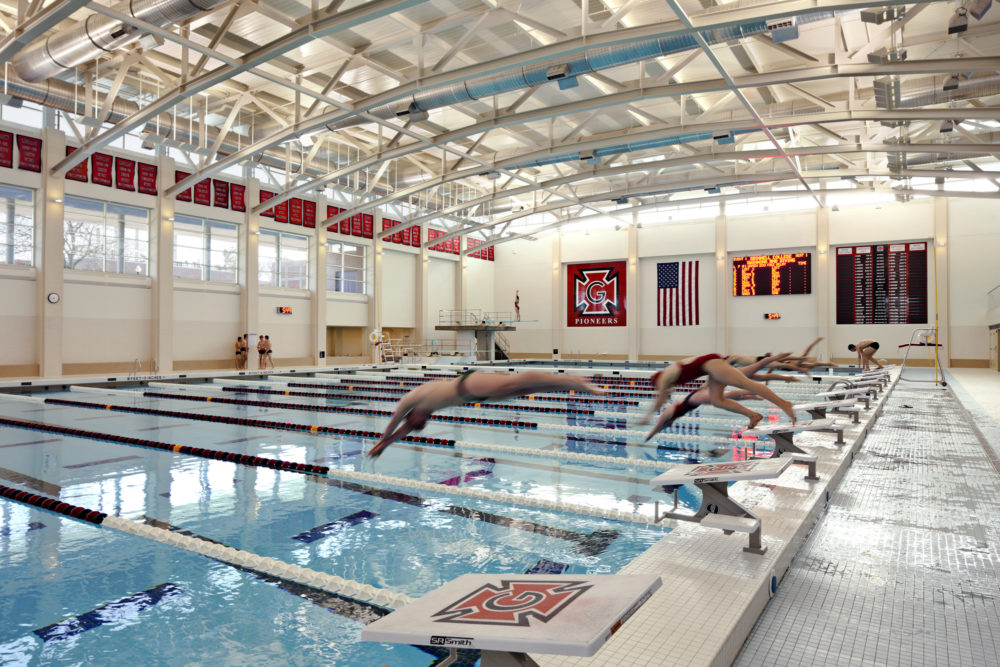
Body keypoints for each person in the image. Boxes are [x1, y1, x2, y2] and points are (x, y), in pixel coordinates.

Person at [367, 370, 604, 457]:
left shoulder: (412, 399)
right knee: (525, 389)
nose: (425, 420)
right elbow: (402, 432)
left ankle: (567, 378)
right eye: (424, 423)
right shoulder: (423, 411)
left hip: (469, 384)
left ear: (412, 415)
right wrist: (387, 446)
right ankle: (571, 383)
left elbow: (394, 423)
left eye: (420, 422)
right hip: (476, 396)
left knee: (514, 382)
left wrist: (381, 441)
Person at [644, 353, 798, 441]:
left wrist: (647, 421)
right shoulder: (669, 375)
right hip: (710, 368)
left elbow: (660, 403)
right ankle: (753, 415)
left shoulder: (667, 383)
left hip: (711, 365)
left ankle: (784, 404)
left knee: (748, 384)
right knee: (718, 401)